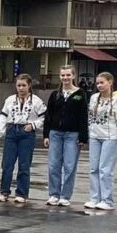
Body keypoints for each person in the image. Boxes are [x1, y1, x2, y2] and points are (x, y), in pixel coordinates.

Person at [43, 67, 89, 207]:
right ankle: (54, 194)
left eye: (68, 75)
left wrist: (83, 137)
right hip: (55, 133)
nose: (65, 78)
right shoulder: (55, 94)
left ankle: (65, 196)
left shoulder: (80, 94)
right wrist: (46, 134)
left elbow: (83, 116)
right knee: (53, 165)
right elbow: (48, 115)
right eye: (63, 75)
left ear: (73, 76)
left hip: (72, 134)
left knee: (69, 165)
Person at [0, 75, 45, 205]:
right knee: (7, 164)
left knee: (24, 165)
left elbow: (44, 117)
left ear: (29, 85)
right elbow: (3, 116)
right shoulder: (10, 100)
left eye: (24, 85)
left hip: (26, 133)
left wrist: (33, 125)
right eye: (19, 85)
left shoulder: (36, 101)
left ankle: (21, 193)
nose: (21, 88)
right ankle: (4, 191)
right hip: (12, 130)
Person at [84, 72, 117, 212]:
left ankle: (107, 200)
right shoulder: (94, 98)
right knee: (93, 168)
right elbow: (90, 117)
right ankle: (94, 198)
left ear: (110, 82)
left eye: (102, 82)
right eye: (97, 83)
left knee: (105, 169)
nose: (99, 85)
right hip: (95, 135)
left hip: (110, 136)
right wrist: (88, 133)